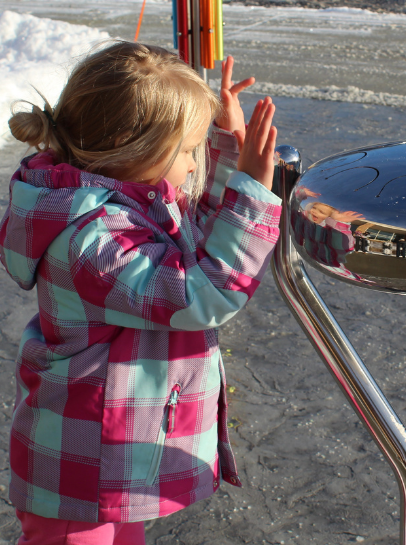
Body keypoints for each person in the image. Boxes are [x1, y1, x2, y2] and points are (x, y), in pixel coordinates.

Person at [0, 41, 282, 544]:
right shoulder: (95, 239)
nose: (194, 167)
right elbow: (199, 293)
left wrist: (225, 147)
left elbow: (195, 242)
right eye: (189, 151)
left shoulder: (126, 201)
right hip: (81, 473)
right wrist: (252, 197)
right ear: (139, 152)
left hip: (111, 457)